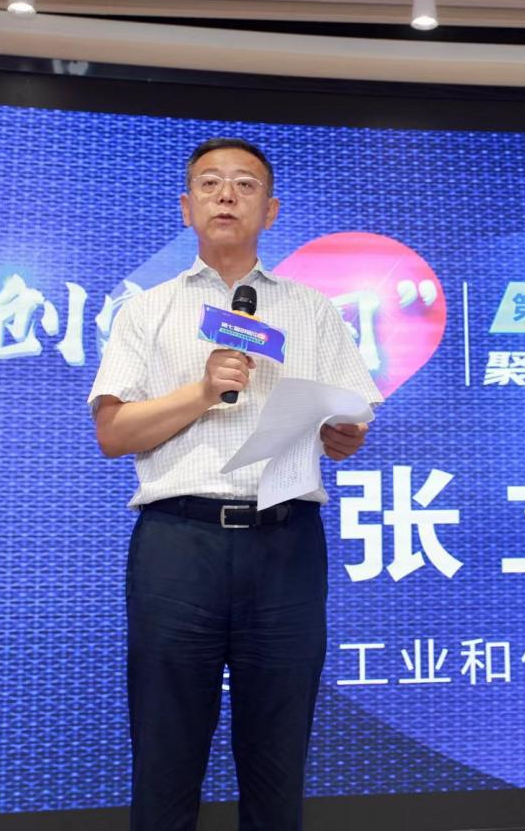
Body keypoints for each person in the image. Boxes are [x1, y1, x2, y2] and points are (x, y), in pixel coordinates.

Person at [88, 138, 381, 831]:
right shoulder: (147, 310)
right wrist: (201, 391)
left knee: (278, 761)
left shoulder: (313, 311)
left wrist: (345, 434)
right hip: (178, 546)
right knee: (165, 756)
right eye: (211, 183)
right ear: (186, 206)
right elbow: (113, 433)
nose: (227, 195)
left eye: (246, 185)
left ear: (270, 210)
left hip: (285, 545)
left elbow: (349, 416)